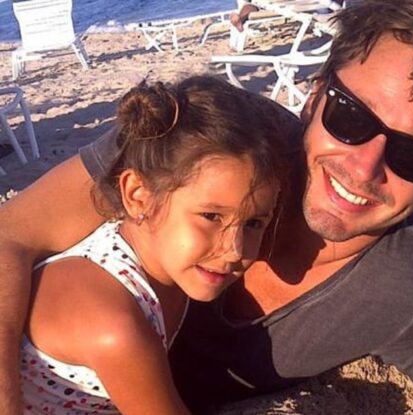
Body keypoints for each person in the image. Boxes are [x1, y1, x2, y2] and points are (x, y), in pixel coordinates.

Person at [0, 0, 413, 413]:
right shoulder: (200, 141)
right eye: (351, 117)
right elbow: (12, 235)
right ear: (314, 96)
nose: (364, 167)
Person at [19, 76, 290, 414]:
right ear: (138, 196)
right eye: (210, 216)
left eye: (253, 223)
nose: (235, 249)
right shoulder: (114, 325)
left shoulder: (163, 268)